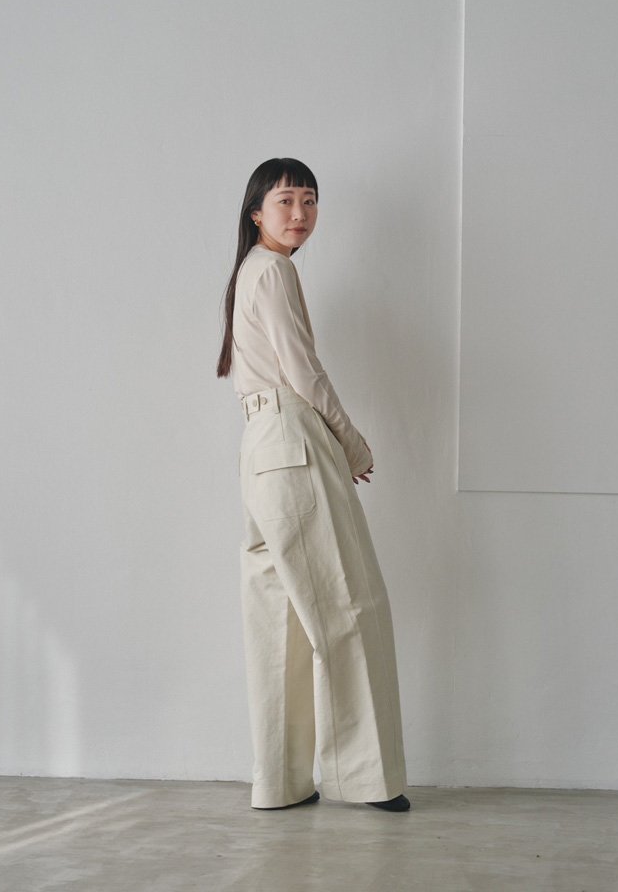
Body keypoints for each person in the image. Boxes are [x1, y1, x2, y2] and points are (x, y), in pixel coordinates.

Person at [217, 157, 410, 813]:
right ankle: (369, 779)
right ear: (256, 213)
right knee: (350, 604)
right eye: (285, 201)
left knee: (278, 619)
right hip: (293, 437)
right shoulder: (275, 271)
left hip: (258, 447)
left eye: (309, 200)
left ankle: (280, 781)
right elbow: (303, 371)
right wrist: (351, 442)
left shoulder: (250, 271)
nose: (300, 213)